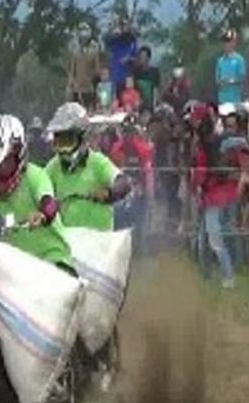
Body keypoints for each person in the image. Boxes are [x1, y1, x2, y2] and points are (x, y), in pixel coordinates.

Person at [0, 114, 74, 272]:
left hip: (52, 259)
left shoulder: (35, 175)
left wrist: (43, 215)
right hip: (16, 266)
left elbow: (48, 202)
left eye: (4, 163)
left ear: (18, 155)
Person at [45, 102, 131, 232]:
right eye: (59, 142)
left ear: (82, 138)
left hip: (99, 242)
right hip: (68, 241)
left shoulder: (97, 162)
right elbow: (38, 189)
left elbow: (123, 183)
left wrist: (109, 193)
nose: (63, 149)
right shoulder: (53, 167)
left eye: (67, 141)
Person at [190, 104, 239, 288]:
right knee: (203, 238)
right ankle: (207, 276)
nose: (193, 123)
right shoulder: (216, 141)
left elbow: (201, 172)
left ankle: (228, 276)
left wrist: (196, 185)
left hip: (213, 195)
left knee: (214, 239)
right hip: (216, 193)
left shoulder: (205, 145)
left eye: (195, 119)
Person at [109, 114, 154, 254]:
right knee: (120, 227)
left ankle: (141, 254)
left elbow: (148, 172)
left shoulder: (143, 149)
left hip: (139, 193)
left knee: (140, 227)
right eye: (125, 131)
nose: (127, 135)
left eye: (130, 131)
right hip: (121, 194)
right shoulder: (116, 149)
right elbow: (111, 172)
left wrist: (149, 193)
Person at [67, 23, 100, 109]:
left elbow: (97, 68)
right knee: (77, 112)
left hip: (89, 87)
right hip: (77, 87)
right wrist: (70, 85)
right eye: (81, 30)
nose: (83, 34)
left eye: (85, 30)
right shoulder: (74, 47)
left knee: (89, 112)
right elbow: (72, 68)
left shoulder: (94, 47)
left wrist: (95, 82)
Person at [105, 14, 138, 95]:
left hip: (127, 79)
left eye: (126, 25)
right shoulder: (114, 40)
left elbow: (137, 60)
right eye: (122, 25)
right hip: (114, 78)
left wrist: (129, 59)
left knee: (127, 101)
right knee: (112, 102)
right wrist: (112, 31)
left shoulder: (133, 42)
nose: (124, 28)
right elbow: (106, 41)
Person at [216, 29, 247, 105]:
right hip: (222, 99)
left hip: (235, 100)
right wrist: (220, 82)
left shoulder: (239, 59)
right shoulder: (220, 61)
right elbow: (217, 79)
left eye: (229, 41)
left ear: (234, 43)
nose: (227, 44)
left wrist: (230, 81)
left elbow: (242, 78)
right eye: (225, 42)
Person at [133, 46, 160, 111]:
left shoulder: (154, 72)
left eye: (144, 56)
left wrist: (154, 105)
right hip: (138, 104)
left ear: (148, 58)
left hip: (150, 104)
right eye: (140, 56)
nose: (141, 59)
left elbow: (155, 89)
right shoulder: (135, 72)